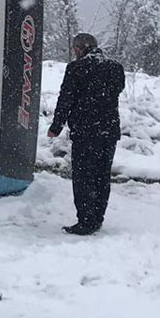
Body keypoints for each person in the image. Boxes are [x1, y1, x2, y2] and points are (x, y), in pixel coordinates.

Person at [47, 33, 125, 235]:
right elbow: (117, 90)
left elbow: (66, 99)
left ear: (79, 49)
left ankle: (86, 221)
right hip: (108, 131)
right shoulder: (115, 68)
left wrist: (56, 127)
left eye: (75, 50)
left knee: (83, 176)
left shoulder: (76, 69)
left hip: (86, 132)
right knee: (101, 175)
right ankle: (97, 217)